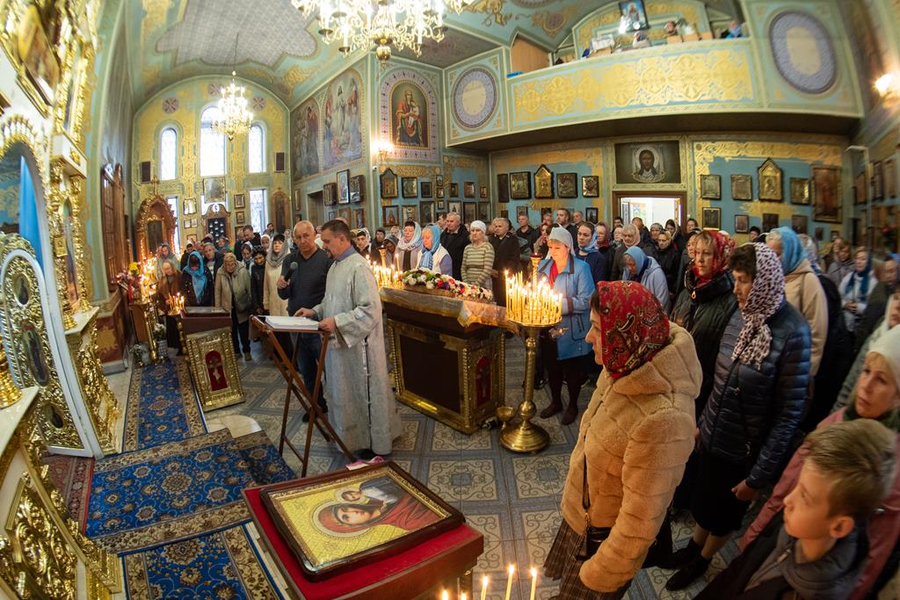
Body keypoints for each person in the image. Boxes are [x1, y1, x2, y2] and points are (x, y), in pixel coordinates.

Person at [665, 243, 811, 591]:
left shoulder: (793, 332)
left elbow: (789, 416)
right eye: (734, 279)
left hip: (747, 448)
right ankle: (692, 548)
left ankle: (702, 561)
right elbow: (723, 376)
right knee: (704, 498)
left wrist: (759, 477)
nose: (736, 288)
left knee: (724, 513)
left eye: (744, 280)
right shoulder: (742, 314)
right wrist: (705, 424)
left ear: (764, 282)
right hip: (717, 431)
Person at [544, 281, 701, 597]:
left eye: (596, 329)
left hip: (604, 542)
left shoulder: (664, 419)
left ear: (626, 334)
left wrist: (601, 573)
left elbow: (640, 522)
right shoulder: (625, 361)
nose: (589, 338)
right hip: (586, 513)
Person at [741, 324, 900, 600]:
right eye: (865, 372)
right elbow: (788, 486)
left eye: (882, 380)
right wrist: (756, 531)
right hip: (781, 541)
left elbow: (871, 555)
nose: (866, 386)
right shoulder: (837, 421)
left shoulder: (889, 467)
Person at [700, 419, 895, 599]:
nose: (788, 500)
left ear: (838, 527)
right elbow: (740, 568)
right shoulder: (791, 523)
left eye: (804, 496)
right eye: (798, 486)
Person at [295, 220, 401, 459]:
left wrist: (338, 322)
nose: (324, 247)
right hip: (340, 346)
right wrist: (314, 311)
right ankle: (349, 437)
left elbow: (371, 309)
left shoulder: (358, 267)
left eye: (328, 241)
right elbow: (332, 302)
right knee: (344, 393)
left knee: (362, 394)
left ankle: (370, 441)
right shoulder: (335, 266)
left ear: (343, 239)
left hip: (359, 349)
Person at [669, 230, 737, 510]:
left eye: (706, 254)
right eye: (695, 253)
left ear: (721, 257)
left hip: (705, 386)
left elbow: (725, 354)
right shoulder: (689, 288)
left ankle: (683, 500)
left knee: (691, 447)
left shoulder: (730, 299)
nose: (699, 260)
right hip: (677, 379)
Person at [535, 227, 593, 424]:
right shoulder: (542, 266)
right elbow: (536, 292)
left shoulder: (581, 268)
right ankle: (556, 402)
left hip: (572, 328)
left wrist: (557, 304)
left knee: (572, 371)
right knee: (552, 368)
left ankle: (573, 405)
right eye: (550, 246)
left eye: (557, 247)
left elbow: (587, 301)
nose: (552, 251)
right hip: (548, 326)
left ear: (567, 247)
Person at [278, 221, 332, 418]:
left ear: (314, 235)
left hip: (319, 323)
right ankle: (316, 404)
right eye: (298, 237)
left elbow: (331, 294)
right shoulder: (290, 261)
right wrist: (281, 286)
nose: (302, 241)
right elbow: (284, 295)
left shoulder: (326, 260)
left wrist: (317, 312)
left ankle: (339, 406)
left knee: (329, 366)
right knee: (305, 367)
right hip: (296, 323)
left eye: (306, 236)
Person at [767, 227, 828, 377]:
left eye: (777, 255)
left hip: (795, 369)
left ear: (790, 253)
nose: (772, 261)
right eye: (769, 255)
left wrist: (806, 373)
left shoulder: (808, 280)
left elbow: (817, 332)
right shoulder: (773, 277)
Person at [856, 253, 898, 351]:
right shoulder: (879, 288)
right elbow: (867, 322)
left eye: (892, 271)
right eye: (886, 271)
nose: (888, 276)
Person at [215, 252, 253, 360]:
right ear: (224, 264)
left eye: (232, 264)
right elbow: (217, 291)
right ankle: (236, 351)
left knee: (244, 330)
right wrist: (218, 309)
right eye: (228, 265)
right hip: (228, 306)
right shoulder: (220, 272)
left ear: (235, 263)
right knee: (232, 330)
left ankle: (247, 350)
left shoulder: (242, 270)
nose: (230, 267)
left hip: (242, 305)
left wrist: (251, 303)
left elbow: (249, 287)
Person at [839, 247, 878, 337]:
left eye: (863, 259)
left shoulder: (872, 282)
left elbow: (873, 308)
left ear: (868, 262)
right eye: (857, 258)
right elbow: (838, 297)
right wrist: (845, 304)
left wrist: (859, 307)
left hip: (861, 329)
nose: (859, 261)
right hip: (845, 326)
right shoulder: (849, 277)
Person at [622, 246, 670, 312]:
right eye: (627, 264)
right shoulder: (627, 272)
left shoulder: (656, 274)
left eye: (632, 265)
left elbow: (661, 300)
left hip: (654, 314)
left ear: (639, 262)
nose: (629, 268)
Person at [490, 218, 520, 306]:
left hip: (505, 277)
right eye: (495, 226)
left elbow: (514, 260)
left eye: (500, 226)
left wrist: (500, 273)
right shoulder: (492, 239)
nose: (497, 228)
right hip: (492, 275)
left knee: (505, 301)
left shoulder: (512, 240)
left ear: (507, 228)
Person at [155, 260, 182, 353]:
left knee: (180, 328)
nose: (167, 271)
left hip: (179, 306)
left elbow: (183, 290)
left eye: (168, 268)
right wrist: (165, 301)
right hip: (169, 308)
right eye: (165, 269)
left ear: (172, 267)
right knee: (172, 328)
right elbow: (160, 294)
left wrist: (177, 299)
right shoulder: (163, 280)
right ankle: (176, 346)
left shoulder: (179, 276)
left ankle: (182, 347)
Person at [460, 220, 494, 289]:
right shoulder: (467, 248)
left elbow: (487, 269)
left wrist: (476, 285)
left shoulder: (488, 247)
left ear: (483, 232)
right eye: (472, 231)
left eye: (478, 230)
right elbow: (463, 268)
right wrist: (466, 283)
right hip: (468, 284)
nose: (474, 233)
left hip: (483, 284)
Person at [264, 233, 290, 318]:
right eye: (275, 243)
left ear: (284, 245)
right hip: (273, 302)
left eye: (280, 243)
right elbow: (266, 285)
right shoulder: (268, 261)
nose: (277, 245)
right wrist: (266, 302)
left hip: (287, 302)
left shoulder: (290, 259)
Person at [439, 212, 469, 280]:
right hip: (444, 269)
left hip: (458, 270)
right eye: (447, 221)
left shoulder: (465, 235)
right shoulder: (443, 234)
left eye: (451, 221)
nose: (449, 223)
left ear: (458, 222)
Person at [655, 230, 680, 297]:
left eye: (663, 240)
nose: (661, 243)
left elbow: (676, 274)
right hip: (658, 284)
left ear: (669, 240)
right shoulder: (656, 252)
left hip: (669, 287)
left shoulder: (675, 254)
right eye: (659, 240)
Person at [249, 246, 266, 319]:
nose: (259, 261)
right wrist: (256, 306)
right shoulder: (254, 268)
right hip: (259, 302)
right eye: (256, 259)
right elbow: (253, 288)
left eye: (260, 258)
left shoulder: (269, 266)